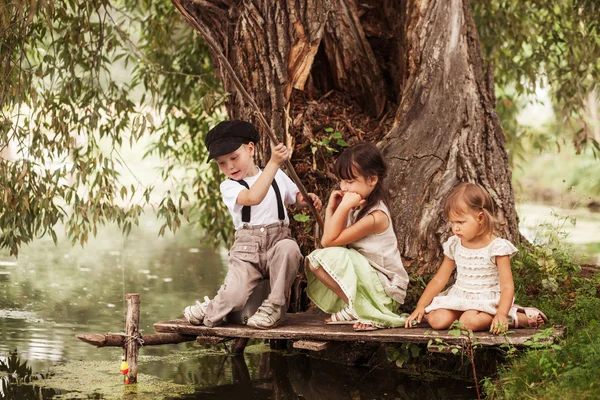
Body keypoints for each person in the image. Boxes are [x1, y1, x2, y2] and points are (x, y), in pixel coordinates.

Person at [183, 120, 322, 329]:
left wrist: (306, 199)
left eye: (234, 158)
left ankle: (274, 307)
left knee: (290, 249)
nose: (229, 166)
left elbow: (295, 197)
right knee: (235, 296)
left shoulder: (277, 175)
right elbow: (252, 197)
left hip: (278, 242)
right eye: (221, 163)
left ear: (250, 149)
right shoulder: (229, 187)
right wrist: (275, 163)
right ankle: (212, 307)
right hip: (247, 252)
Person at [405, 182, 548, 334]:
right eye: (452, 222)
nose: (455, 228)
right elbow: (439, 279)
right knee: (436, 320)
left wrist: (501, 313)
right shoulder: (454, 244)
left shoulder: (496, 247)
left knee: (468, 322)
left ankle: (514, 318)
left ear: (480, 218)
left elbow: (507, 286)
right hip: (460, 297)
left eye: (460, 222)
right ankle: (466, 317)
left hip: (486, 301)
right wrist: (421, 306)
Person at [305, 142, 409, 331]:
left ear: (372, 179)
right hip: (369, 283)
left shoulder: (376, 217)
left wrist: (343, 207)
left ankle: (366, 310)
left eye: (351, 181)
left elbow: (328, 241)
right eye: (342, 181)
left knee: (319, 259)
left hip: (385, 292)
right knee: (318, 261)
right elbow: (330, 240)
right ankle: (356, 307)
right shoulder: (357, 207)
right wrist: (332, 208)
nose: (344, 187)